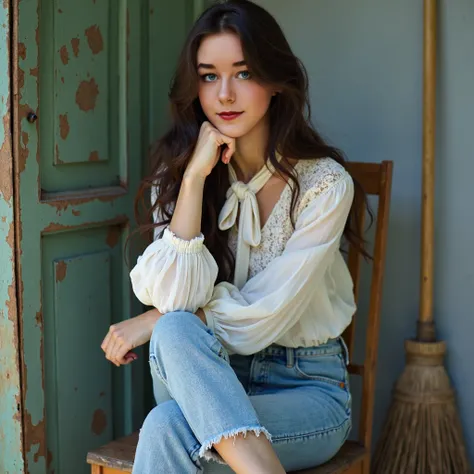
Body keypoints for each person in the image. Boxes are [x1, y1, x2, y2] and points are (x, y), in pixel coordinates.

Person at [100, 1, 370, 472]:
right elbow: (176, 297)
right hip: (207, 375)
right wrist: (193, 180)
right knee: (176, 326)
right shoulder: (182, 175)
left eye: (243, 74)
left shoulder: (324, 186)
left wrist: (150, 322)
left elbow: (263, 315)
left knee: (166, 427)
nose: (224, 94)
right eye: (208, 76)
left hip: (305, 388)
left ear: (274, 80)